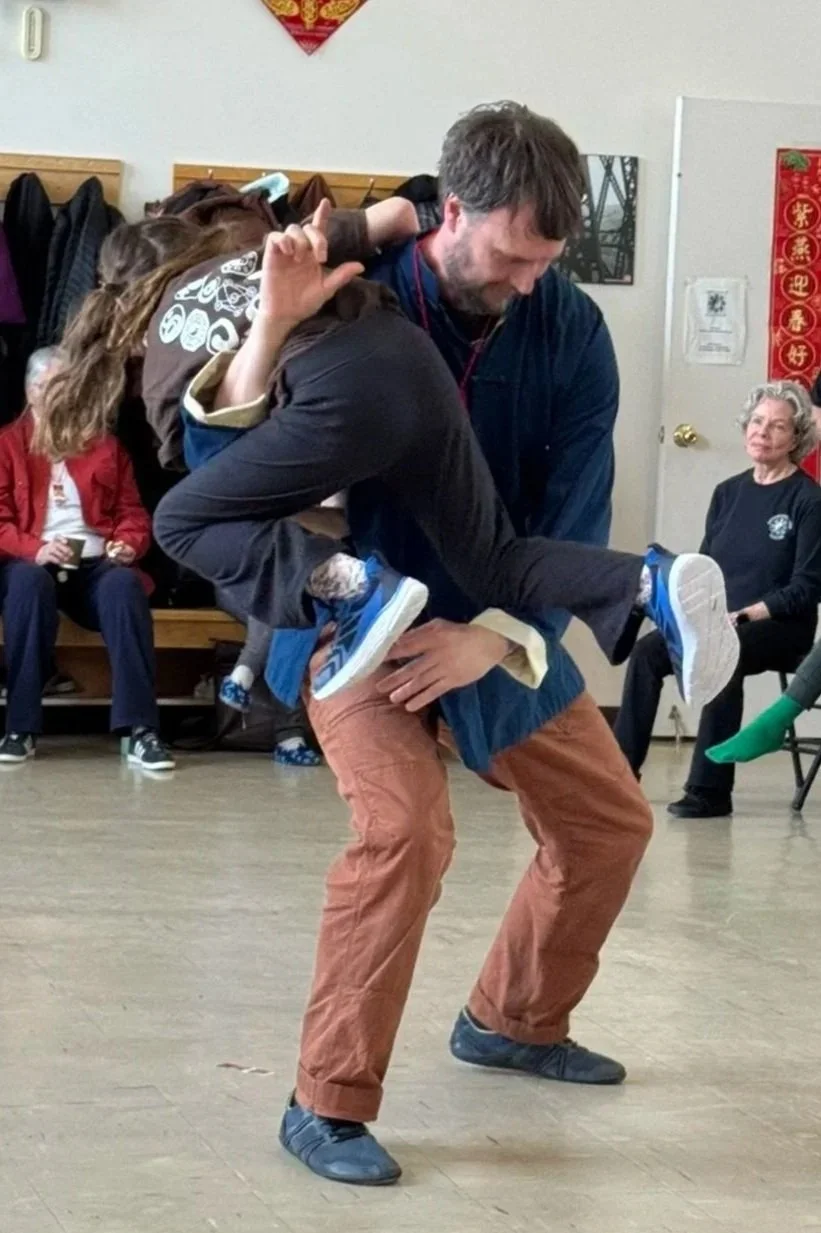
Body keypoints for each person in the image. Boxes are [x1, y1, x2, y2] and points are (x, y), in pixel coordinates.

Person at [153, 104, 738, 1186]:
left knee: (608, 824)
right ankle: (326, 1102)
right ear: (451, 211)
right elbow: (219, 473)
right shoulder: (356, 294)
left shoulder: (568, 329)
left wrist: (494, 639)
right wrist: (273, 333)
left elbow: (575, 505)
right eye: (511, 258)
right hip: (355, 623)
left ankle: (512, 1019)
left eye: (546, 263)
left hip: (499, 619)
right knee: (405, 834)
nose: (527, 283)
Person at [614, 380, 821, 818]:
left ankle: (709, 790)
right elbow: (705, 569)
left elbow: (806, 588)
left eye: (778, 426)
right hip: (721, 621)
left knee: (721, 650)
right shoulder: (727, 492)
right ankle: (617, 774)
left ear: (796, 438)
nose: (763, 432)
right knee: (647, 652)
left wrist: (746, 615)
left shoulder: (809, 500)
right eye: (757, 421)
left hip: (781, 626)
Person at [0, 348, 174, 769]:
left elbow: (132, 513)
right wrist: (35, 549)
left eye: (69, 386)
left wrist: (127, 543)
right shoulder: (7, 444)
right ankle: (20, 728)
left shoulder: (105, 446)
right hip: (31, 562)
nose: (63, 395)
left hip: (95, 564)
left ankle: (140, 730)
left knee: (124, 585)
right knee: (27, 584)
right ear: (32, 391)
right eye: (52, 387)